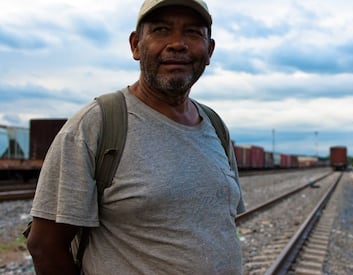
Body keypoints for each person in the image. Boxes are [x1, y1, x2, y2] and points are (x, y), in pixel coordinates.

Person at [26, 0, 246, 274]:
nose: (177, 43)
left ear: (210, 50)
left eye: (193, 32)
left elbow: (216, 225)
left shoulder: (214, 126)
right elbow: (45, 246)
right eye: (161, 30)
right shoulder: (96, 124)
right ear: (135, 45)